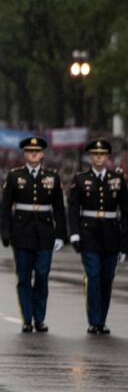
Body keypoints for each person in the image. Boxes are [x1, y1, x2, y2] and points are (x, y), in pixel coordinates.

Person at [0, 136, 68, 332]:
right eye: (30, 151)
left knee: (43, 276)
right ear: (24, 154)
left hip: (45, 233)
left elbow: (58, 208)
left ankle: (40, 318)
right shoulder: (14, 176)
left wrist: (61, 234)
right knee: (23, 278)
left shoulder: (52, 176)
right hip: (21, 233)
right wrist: (6, 232)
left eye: (37, 151)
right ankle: (27, 319)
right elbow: (5, 208)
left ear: (43, 154)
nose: (34, 154)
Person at [67, 139, 128, 334]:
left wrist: (125, 245)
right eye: (95, 154)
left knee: (107, 278)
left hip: (112, 235)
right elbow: (74, 209)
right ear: (90, 157)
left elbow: (125, 213)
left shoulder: (118, 179)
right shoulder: (80, 179)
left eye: (102, 154)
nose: (99, 157)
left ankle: (102, 320)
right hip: (89, 234)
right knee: (93, 275)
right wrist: (75, 233)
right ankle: (94, 321)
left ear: (108, 157)